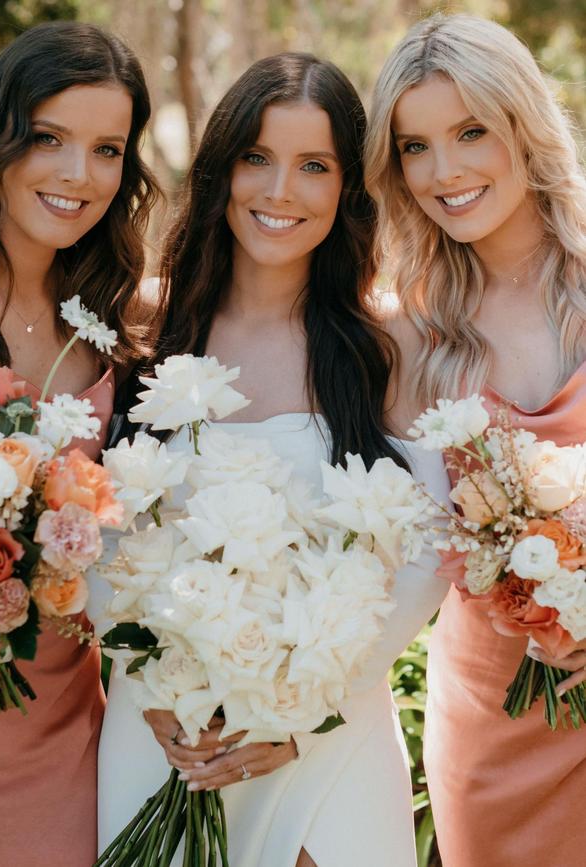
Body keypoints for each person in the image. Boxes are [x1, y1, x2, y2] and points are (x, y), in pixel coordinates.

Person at [98, 52, 449, 867]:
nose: (279, 191)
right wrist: (151, 687)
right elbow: (96, 522)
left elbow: (429, 551)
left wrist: (298, 716)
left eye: (314, 166)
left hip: (325, 735)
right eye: (256, 157)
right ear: (221, 170)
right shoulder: (145, 323)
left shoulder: (388, 340)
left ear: (347, 189)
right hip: (163, 729)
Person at [365, 13, 586, 867]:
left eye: (469, 132)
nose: (443, 172)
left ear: (523, 127)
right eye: (415, 147)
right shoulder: (408, 334)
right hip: (492, 728)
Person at [0, 21, 158, 866]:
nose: (79, 175)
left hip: (67, 741)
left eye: (107, 149)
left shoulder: (118, 325)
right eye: (50, 139)